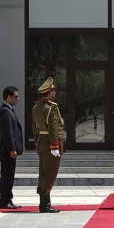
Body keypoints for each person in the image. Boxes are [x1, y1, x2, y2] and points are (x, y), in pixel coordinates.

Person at [32, 77, 65, 213]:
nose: (55, 93)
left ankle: (43, 202)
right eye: (54, 90)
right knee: (50, 173)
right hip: (50, 143)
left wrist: (37, 140)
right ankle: (45, 204)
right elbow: (52, 128)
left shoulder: (36, 107)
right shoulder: (52, 108)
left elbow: (34, 127)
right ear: (50, 92)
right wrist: (55, 146)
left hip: (41, 142)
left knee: (43, 172)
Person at [0, 86, 23, 209]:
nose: (18, 99)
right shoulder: (5, 111)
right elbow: (7, 133)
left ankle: (8, 199)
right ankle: (4, 201)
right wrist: (12, 149)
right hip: (7, 150)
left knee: (9, 175)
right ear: (9, 97)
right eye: (16, 96)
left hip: (9, 150)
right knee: (7, 176)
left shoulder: (9, 110)